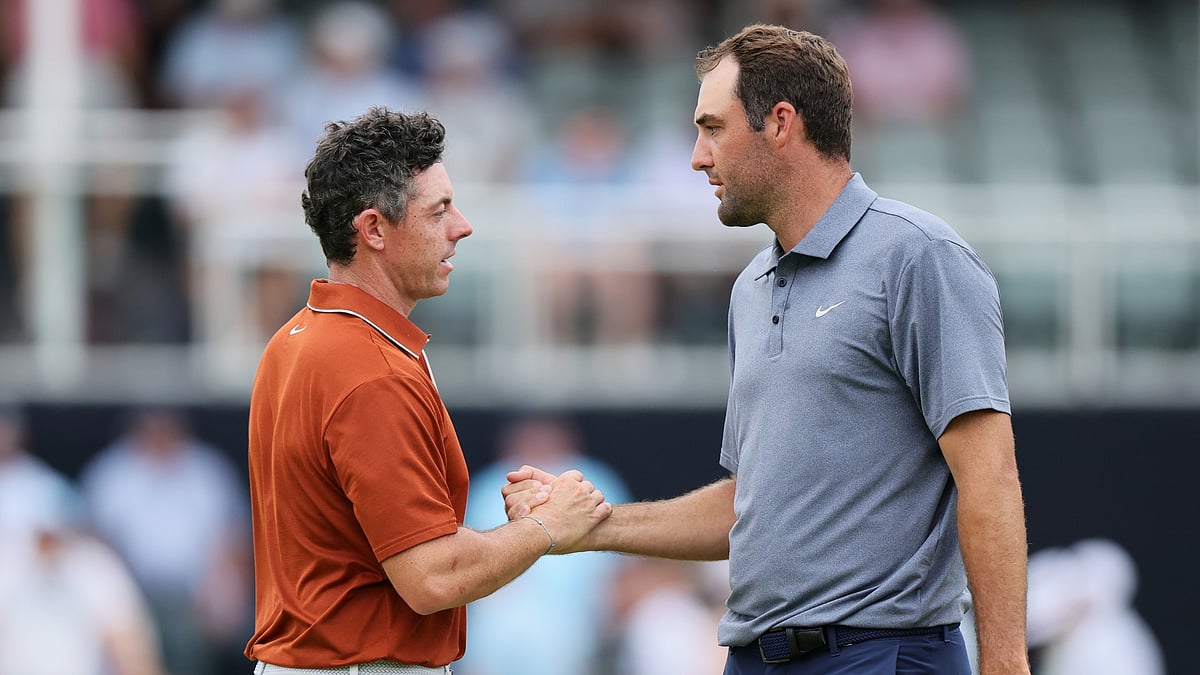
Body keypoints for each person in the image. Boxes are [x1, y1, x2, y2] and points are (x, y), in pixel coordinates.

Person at [504, 24, 1030, 675]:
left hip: (883, 654)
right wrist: (595, 526)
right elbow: (748, 505)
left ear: (780, 123)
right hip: (755, 658)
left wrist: (1005, 663)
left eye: (713, 128)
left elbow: (990, 476)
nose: (698, 156)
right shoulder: (750, 288)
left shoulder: (920, 256)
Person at [243, 106, 612, 675]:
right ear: (373, 230)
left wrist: (511, 533)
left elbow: (366, 547)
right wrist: (546, 529)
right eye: (440, 210)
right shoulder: (371, 370)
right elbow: (431, 577)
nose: (462, 225)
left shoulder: (295, 338)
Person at [458, 413, 632, 675]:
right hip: (503, 615)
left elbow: (623, 565)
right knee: (511, 622)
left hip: (583, 614)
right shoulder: (489, 486)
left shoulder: (594, 479)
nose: (539, 446)